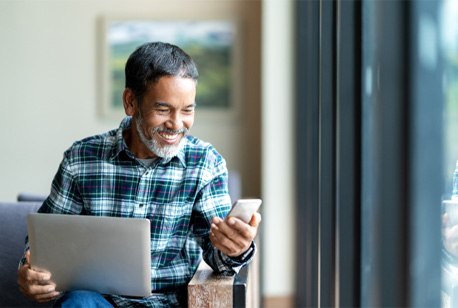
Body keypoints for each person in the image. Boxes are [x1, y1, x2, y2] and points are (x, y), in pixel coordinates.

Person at [17, 42, 261, 307]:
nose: (177, 124)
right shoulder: (81, 159)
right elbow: (45, 242)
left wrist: (234, 249)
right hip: (97, 301)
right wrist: (31, 271)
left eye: (187, 110)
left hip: (171, 302)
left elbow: (218, 259)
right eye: (163, 109)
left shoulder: (204, 163)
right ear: (131, 102)